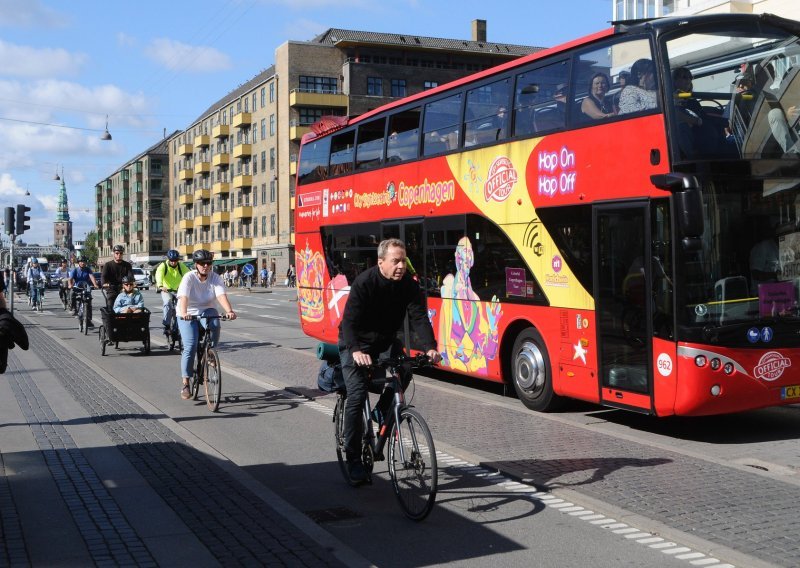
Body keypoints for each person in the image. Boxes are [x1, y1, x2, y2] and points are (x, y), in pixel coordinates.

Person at [337, 238, 441, 484]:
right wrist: (355, 350)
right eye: (395, 261)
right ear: (381, 262)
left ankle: (381, 413)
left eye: (403, 261)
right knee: (357, 394)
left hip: (384, 342)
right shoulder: (365, 283)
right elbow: (350, 320)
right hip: (356, 343)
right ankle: (353, 459)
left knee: (405, 370)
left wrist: (430, 348)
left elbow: (418, 317)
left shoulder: (408, 285)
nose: (401, 266)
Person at [176, 249, 237, 400]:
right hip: (187, 312)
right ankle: (185, 382)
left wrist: (229, 310)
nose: (205, 266)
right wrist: (184, 313)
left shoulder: (215, 277)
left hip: (207, 309)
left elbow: (221, 295)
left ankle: (210, 353)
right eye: (202, 263)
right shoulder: (188, 278)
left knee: (215, 323)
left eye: (208, 263)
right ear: (196, 264)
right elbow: (183, 297)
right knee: (190, 345)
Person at [155, 249, 189, 334]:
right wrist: (160, 286)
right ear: (168, 259)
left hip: (178, 290)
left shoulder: (181, 266)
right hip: (167, 290)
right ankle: (166, 325)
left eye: (175, 260)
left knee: (183, 306)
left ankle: (181, 323)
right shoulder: (163, 266)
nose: (173, 262)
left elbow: (189, 275)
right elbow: (159, 275)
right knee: (167, 302)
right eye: (171, 260)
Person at [68, 258, 99, 325]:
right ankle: (73, 308)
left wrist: (95, 284)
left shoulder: (88, 269)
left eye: (84, 261)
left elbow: (91, 277)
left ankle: (89, 320)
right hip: (77, 287)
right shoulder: (75, 270)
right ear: (79, 263)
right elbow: (70, 279)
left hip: (86, 288)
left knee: (89, 303)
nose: (83, 263)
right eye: (81, 262)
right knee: (72, 293)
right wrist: (70, 285)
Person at [102, 244, 133, 309]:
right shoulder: (108, 265)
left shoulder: (127, 265)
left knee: (131, 303)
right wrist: (104, 283)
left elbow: (130, 276)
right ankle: (111, 315)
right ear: (113, 254)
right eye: (117, 253)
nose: (119, 255)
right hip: (111, 289)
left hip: (124, 288)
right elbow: (104, 276)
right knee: (110, 303)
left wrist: (133, 282)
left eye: (121, 253)